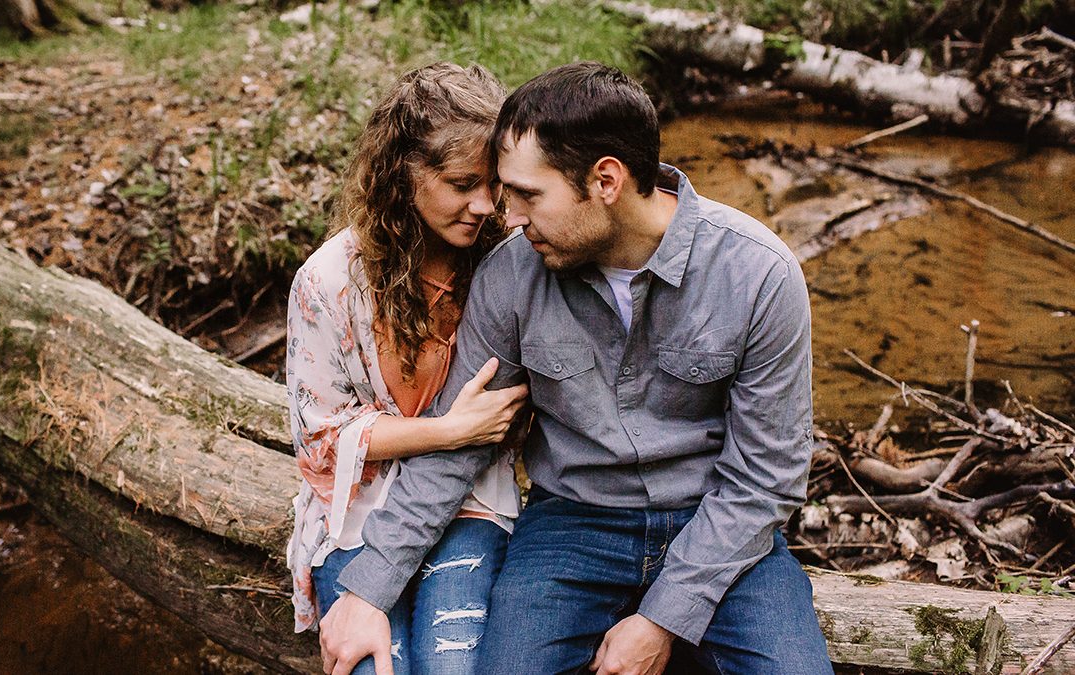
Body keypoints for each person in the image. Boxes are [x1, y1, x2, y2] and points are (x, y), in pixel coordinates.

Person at [319, 62, 834, 675]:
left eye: (528, 195)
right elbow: (456, 448)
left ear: (606, 181)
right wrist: (366, 589)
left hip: (720, 528)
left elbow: (766, 477)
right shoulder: (512, 274)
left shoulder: (758, 274)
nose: (506, 217)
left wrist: (662, 619)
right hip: (571, 527)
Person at [284, 62, 528, 675]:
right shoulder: (330, 282)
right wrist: (448, 430)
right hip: (357, 512)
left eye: (493, 182)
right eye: (461, 182)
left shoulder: (510, 260)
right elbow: (318, 438)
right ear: (403, 174)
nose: (484, 204)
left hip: (469, 499)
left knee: (452, 665)